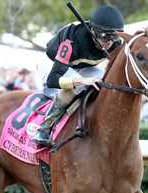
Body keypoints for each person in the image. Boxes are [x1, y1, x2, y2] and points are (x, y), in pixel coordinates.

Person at [32, 5, 124, 146]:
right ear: (93, 31)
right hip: (52, 65)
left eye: (113, 37)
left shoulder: (115, 43)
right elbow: (53, 80)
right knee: (78, 87)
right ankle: (44, 128)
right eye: (105, 36)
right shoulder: (72, 40)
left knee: (105, 82)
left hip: (81, 66)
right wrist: (80, 81)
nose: (109, 42)